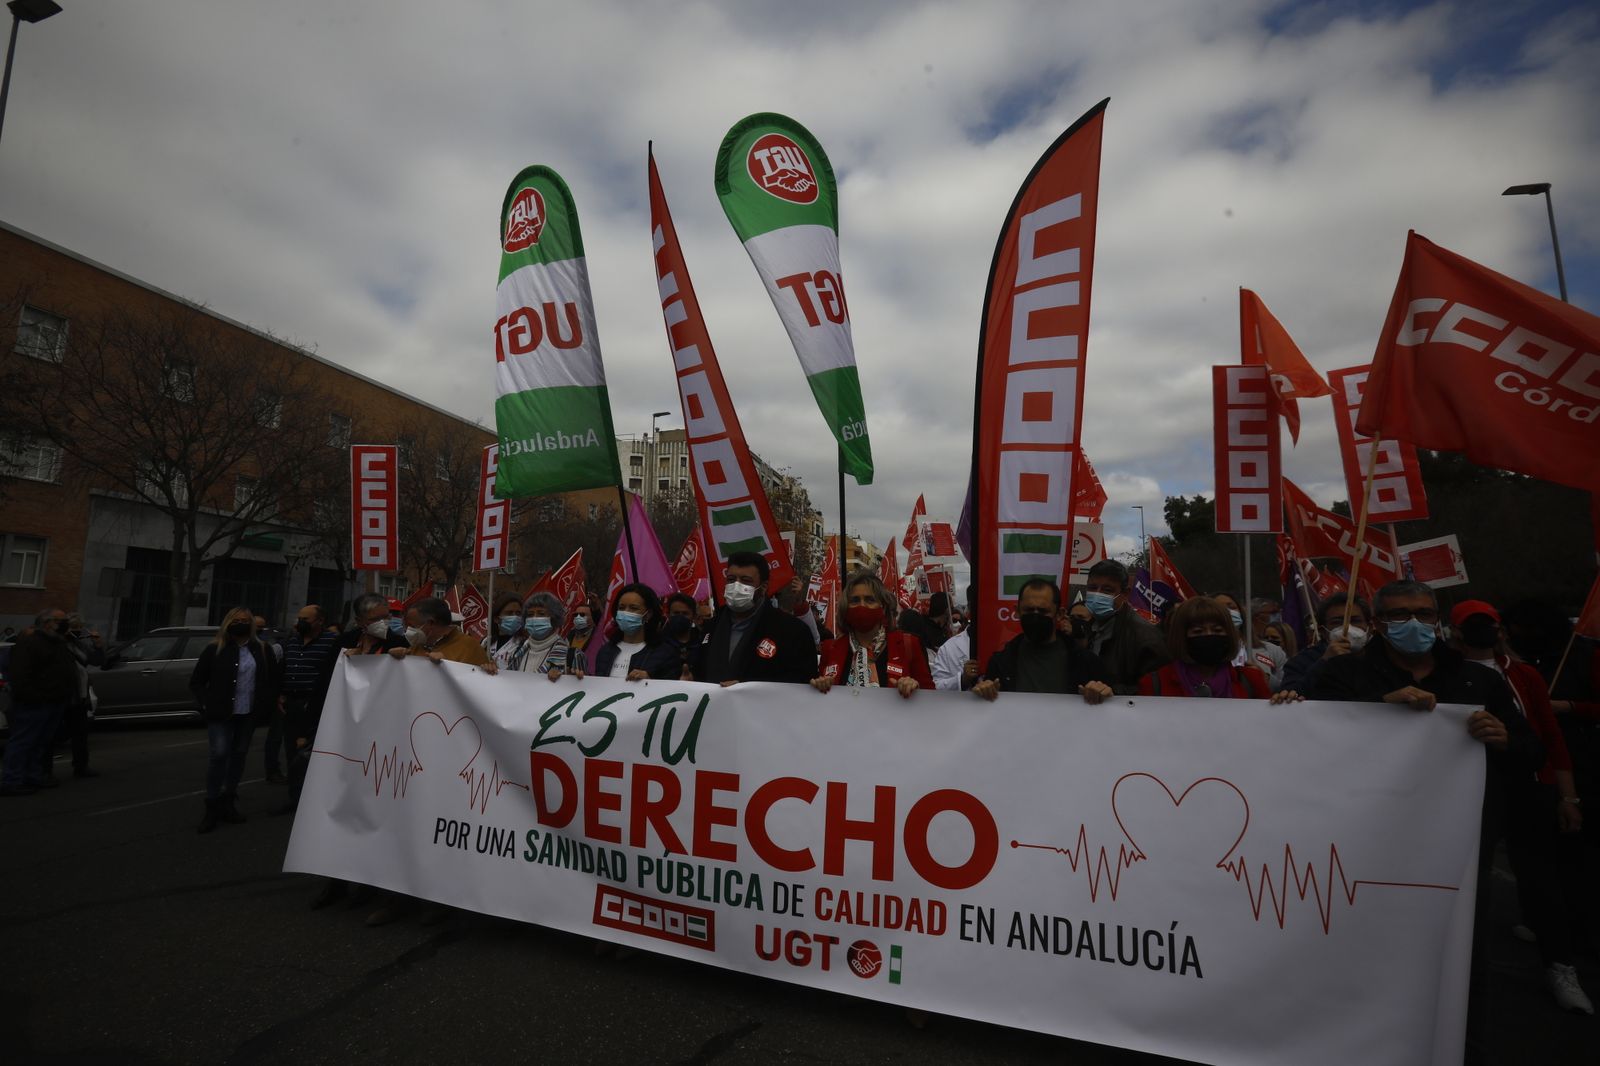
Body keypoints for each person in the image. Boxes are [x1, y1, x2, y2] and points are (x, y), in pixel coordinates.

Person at [1304, 581, 1544, 1056]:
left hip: (1458, 847)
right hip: (1363, 845)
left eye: (1423, 613)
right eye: (1399, 615)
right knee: (1361, 947)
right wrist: (1375, 714)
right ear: (1377, 623)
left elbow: (1532, 750)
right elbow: (1313, 744)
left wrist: (1504, 738)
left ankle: (1457, 1046)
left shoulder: (1478, 680)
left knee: (1458, 954)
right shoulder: (1342, 675)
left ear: (1438, 619)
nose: (1413, 623)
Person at [1449, 599, 1592, 1014]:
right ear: (1456, 632)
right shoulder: (1444, 674)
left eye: (1489, 623)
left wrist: (1567, 796)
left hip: (1528, 789)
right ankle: (1457, 973)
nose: (1484, 631)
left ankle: (1560, 966)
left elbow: (1549, 736)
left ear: (1501, 630)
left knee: (1541, 881)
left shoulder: (1525, 675)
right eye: (1473, 624)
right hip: (1469, 796)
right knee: (1468, 885)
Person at [189, 608, 280, 832]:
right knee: (219, 754)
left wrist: (265, 705)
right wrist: (206, 703)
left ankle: (228, 799)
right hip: (221, 713)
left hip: (248, 714)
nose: (240, 623)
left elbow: (272, 680)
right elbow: (197, 681)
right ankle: (212, 804)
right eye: (236, 620)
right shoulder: (215, 649)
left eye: (245, 620)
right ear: (228, 623)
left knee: (238, 756)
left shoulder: (262, 649)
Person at [972, 579, 1112, 703]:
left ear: (1059, 614)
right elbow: (989, 711)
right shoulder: (1000, 663)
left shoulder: (1087, 662)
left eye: (1043, 611)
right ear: (1017, 611)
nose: (1035, 616)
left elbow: (1109, 706)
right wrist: (984, 692)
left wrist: (1103, 692)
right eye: (1028, 610)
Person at [1137, 597, 1298, 702]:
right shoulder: (1154, 683)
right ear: (1181, 637)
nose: (1209, 635)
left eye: (1217, 630)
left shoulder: (1251, 679)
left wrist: (1286, 704)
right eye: (1198, 631)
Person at [692, 551, 817, 685]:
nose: (736, 586)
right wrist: (689, 682)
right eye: (731, 579)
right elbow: (700, 672)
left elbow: (801, 681)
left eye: (746, 581)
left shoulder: (792, 631)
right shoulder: (711, 627)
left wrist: (746, 688)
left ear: (763, 587)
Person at [812, 571, 933, 698]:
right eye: (855, 600)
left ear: (883, 607)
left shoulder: (909, 644)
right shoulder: (830, 649)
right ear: (846, 607)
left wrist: (915, 687)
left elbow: (930, 696)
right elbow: (821, 700)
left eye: (870, 600)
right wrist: (821, 686)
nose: (862, 605)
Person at [2, 608, 76, 796]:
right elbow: (20, 675)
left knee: (40, 743)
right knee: (23, 742)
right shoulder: (31, 642)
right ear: (47, 622)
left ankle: (32, 775)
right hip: (35, 702)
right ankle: (12, 780)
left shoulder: (57, 642)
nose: (65, 624)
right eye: (61, 621)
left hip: (54, 700)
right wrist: (33, 697)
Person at [279, 604, 344, 812]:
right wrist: (281, 693)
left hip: (314, 705)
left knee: (312, 754)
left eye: (305, 619)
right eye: (299, 619)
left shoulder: (331, 641)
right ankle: (295, 798)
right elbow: (285, 667)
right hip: (291, 703)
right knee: (291, 751)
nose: (300, 623)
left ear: (319, 621)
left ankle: (313, 799)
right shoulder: (293, 641)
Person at [1080, 560, 1170, 694]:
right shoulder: (1084, 628)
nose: (1097, 594)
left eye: (1107, 590)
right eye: (1092, 588)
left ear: (1125, 593)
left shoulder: (1146, 637)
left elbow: (1155, 689)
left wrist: (1113, 692)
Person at [1280, 595, 1371, 695]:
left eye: (1355, 621)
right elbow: (1289, 695)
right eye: (1337, 622)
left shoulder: (1381, 658)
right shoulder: (1301, 662)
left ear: (1369, 627)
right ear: (1322, 631)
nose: (1348, 628)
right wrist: (1324, 662)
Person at [56, 613, 105, 779]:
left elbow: (97, 660)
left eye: (79, 628)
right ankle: (44, 771)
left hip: (79, 697)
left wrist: (97, 643)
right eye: (73, 627)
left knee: (80, 734)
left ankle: (81, 766)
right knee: (51, 734)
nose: (76, 631)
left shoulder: (78, 644)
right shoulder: (57, 643)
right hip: (61, 695)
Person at [388, 596, 495, 669]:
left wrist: (446, 665)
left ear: (431, 623)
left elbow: (481, 685)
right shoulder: (415, 647)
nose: (407, 631)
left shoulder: (469, 647)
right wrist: (393, 660)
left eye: (412, 626)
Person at [1213, 591, 1285, 688]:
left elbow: (1288, 687)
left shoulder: (1273, 650)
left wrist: (1266, 678)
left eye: (1231, 607)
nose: (1227, 612)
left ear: (1241, 612)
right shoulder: (1208, 651)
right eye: (1219, 608)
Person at [509, 592, 570, 679]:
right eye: (530, 614)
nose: (534, 618)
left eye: (541, 614)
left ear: (554, 618)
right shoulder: (517, 653)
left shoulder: (571, 656)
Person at [931, 586, 979, 692]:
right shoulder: (948, 649)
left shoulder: (1010, 645)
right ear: (970, 608)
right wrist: (962, 680)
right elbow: (936, 687)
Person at [663, 593, 700, 680]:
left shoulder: (703, 643)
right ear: (668, 615)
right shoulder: (657, 644)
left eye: (685, 613)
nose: (680, 617)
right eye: (676, 613)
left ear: (694, 616)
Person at [485, 593, 527, 671]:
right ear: (496, 619)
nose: (515, 617)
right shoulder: (486, 642)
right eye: (509, 613)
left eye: (518, 613)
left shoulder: (525, 644)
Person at [566, 596, 599, 673]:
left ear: (592, 617)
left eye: (582, 615)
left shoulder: (597, 637)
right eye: (575, 615)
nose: (578, 618)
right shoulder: (567, 636)